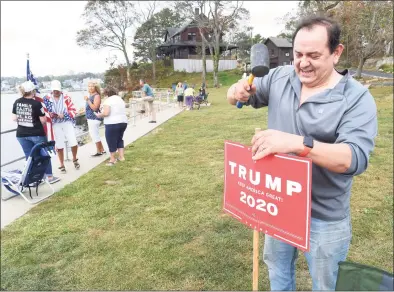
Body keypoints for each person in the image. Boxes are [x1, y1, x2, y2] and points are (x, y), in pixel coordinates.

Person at [227, 16, 378, 291]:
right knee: (278, 273)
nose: (303, 63)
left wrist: (298, 144)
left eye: (313, 55)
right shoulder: (280, 77)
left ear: (336, 52)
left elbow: (353, 158)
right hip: (278, 203)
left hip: (324, 215)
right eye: (298, 54)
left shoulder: (356, 99)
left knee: (326, 285)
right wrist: (236, 91)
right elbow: (236, 97)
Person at [12, 80, 60, 184]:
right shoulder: (37, 103)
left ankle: (32, 179)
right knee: (44, 154)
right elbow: (43, 120)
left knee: (29, 157)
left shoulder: (17, 102)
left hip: (21, 134)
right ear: (33, 91)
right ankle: (50, 177)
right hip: (36, 133)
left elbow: (14, 118)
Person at [43, 80, 80, 173]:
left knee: (73, 141)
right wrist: (51, 114)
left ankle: (75, 159)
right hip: (55, 123)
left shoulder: (66, 98)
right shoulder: (47, 98)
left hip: (66, 122)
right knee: (59, 144)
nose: (56, 92)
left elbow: (73, 110)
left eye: (57, 90)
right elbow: (44, 111)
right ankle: (61, 164)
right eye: (54, 90)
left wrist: (65, 115)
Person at [95, 86, 128, 166]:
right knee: (119, 139)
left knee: (111, 141)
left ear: (107, 93)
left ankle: (112, 159)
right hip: (123, 122)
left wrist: (99, 115)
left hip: (112, 123)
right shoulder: (120, 99)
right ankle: (121, 157)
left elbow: (106, 113)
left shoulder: (108, 100)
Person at [84, 80, 106, 156]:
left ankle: (98, 151)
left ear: (95, 87)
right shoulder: (91, 95)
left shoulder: (96, 96)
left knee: (94, 135)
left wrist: (88, 100)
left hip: (94, 118)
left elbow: (95, 108)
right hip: (91, 118)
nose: (90, 87)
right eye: (89, 86)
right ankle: (102, 150)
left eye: (92, 86)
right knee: (95, 134)